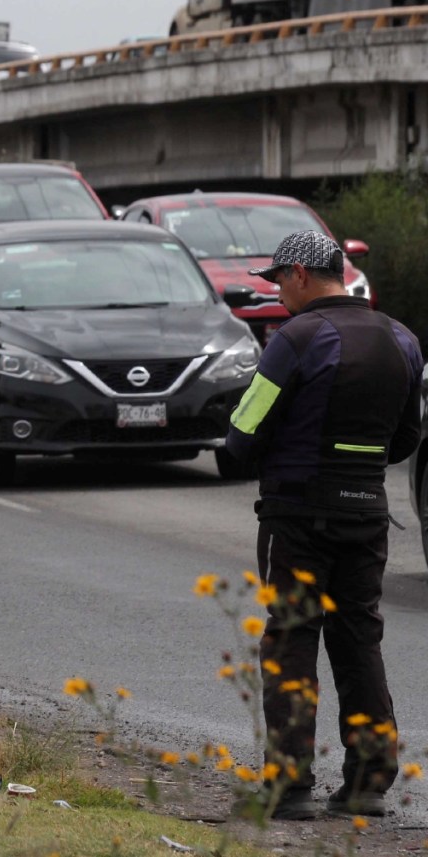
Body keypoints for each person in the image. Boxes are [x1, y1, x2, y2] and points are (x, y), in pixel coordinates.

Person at [224, 230, 422, 820]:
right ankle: (368, 782)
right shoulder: (402, 339)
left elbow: (242, 436)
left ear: (303, 276)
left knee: (291, 640)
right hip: (367, 512)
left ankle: (289, 788)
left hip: (299, 517)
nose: (277, 292)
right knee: (359, 640)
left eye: (279, 280)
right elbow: (407, 438)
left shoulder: (296, 338)